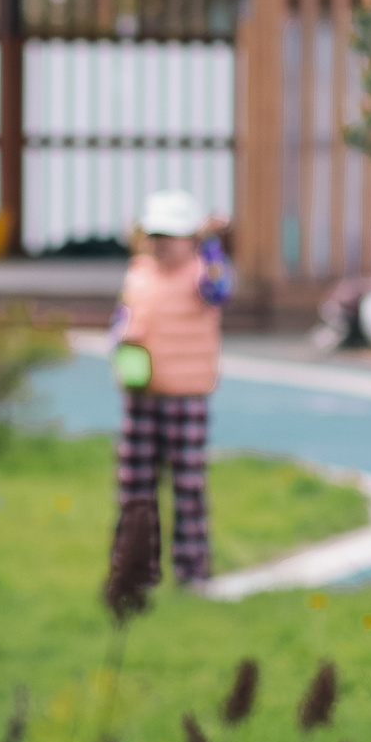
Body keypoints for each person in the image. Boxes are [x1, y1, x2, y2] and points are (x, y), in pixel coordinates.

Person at [111, 188, 231, 589]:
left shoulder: (203, 273)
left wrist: (212, 244)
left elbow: (222, 288)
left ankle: (192, 569)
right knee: (134, 484)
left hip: (186, 396)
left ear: (191, 238)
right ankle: (134, 567)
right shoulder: (139, 272)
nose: (162, 244)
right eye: (156, 235)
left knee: (188, 485)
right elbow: (125, 316)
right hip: (142, 392)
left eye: (171, 236)